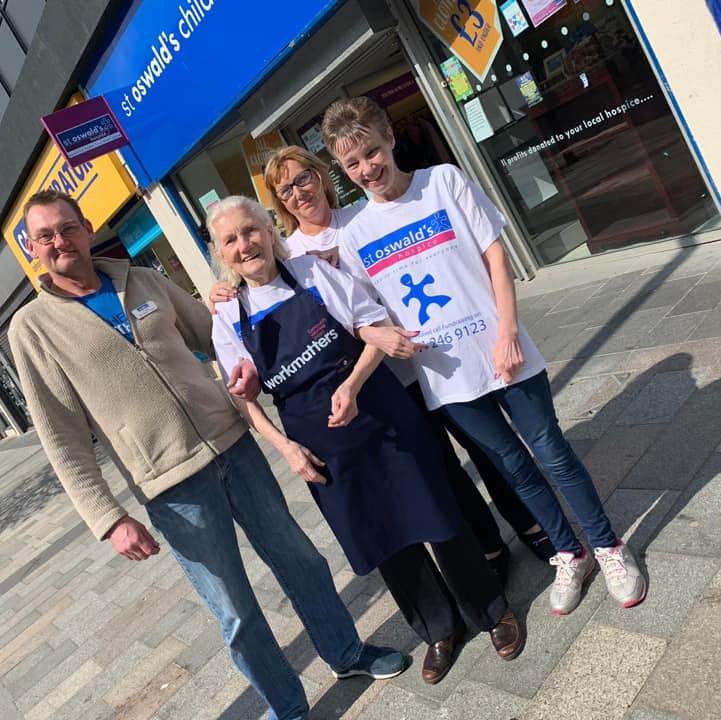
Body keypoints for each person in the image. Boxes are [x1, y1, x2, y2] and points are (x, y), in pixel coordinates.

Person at [8, 189, 405, 720]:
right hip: (171, 486)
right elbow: (61, 436)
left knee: (301, 561)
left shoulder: (142, 279)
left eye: (68, 228)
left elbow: (217, 333)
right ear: (33, 248)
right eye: (46, 236)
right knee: (235, 611)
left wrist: (243, 300)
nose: (61, 242)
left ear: (85, 227)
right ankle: (289, 709)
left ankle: (346, 652)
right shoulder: (32, 328)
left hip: (234, 446)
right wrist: (107, 519)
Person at [321, 96, 647, 615]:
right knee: (513, 467)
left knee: (552, 453)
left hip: (501, 350)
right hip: (445, 375)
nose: (367, 170)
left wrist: (507, 330)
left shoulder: (443, 182)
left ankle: (609, 546)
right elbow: (363, 311)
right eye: (352, 164)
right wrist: (383, 336)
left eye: (371, 152)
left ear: (389, 136)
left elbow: (495, 252)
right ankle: (570, 551)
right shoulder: (356, 232)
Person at [208, 195, 525, 684]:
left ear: (270, 233)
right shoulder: (228, 317)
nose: (245, 244)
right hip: (318, 442)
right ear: (220, 253)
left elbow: (374, 330)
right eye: (231, 239)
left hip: (376, 406)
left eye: (251, 231)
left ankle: (490, 611)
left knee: (435, 511)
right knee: (381, 536)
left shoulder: (313, 274)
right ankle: (438, 630)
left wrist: (352, 387)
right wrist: (285, 448)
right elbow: (244, 401)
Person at [209, 145, 554, 581]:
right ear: (278, 206)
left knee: (484, 447)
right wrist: (219, 292)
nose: (299, 193)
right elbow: (257, 294)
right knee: (442, 471)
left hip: (429, 361)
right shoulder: (290, 255)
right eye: (286, 190)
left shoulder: (363, 215)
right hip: (383, 386)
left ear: (321, 177)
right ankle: (489, 549)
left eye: (304, 179)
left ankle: (532, 525)